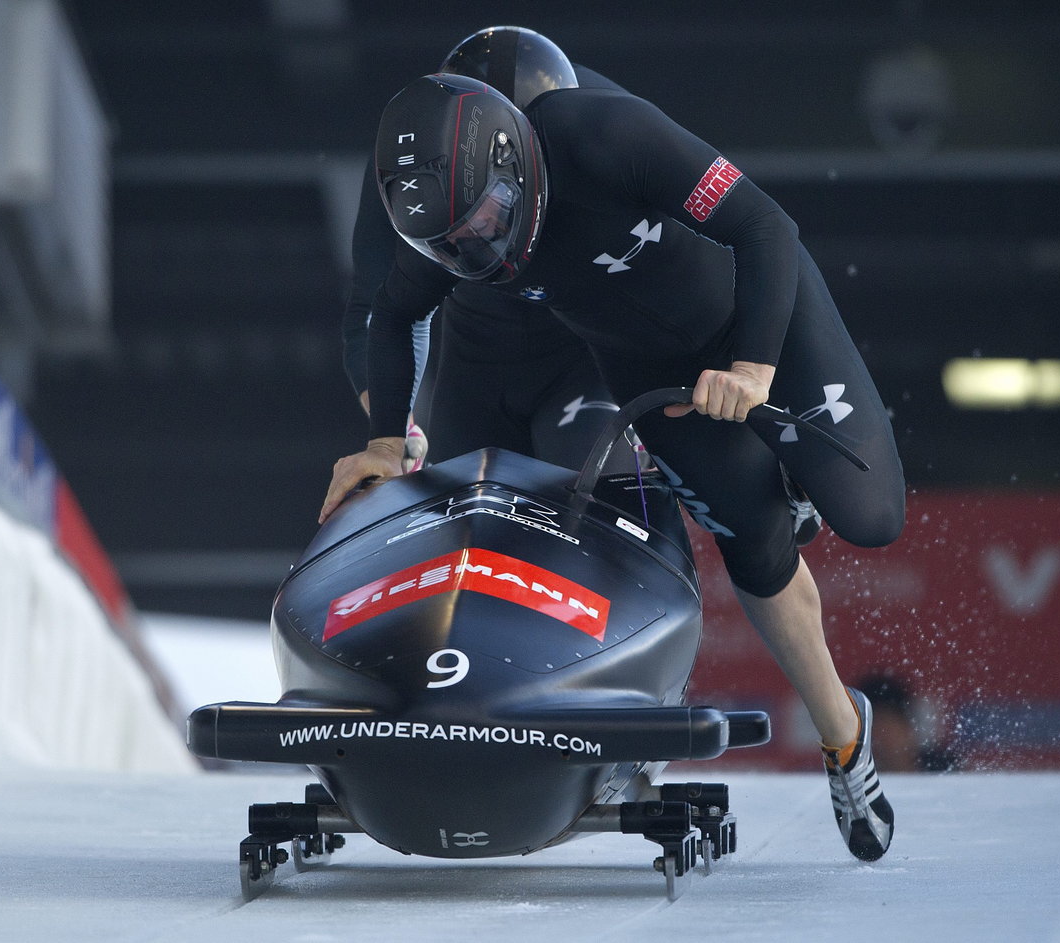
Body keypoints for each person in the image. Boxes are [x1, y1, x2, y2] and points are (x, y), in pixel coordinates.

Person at [323, 50, 907, 862]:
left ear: (517, 159)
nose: (479, 247)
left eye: (489, 219)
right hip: (650, 371)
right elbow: (386, 316)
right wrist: (387, 437)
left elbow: (764, 227)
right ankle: (843, 735)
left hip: (755, 317)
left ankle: (791, 467)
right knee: (757, 545)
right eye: (456, 244)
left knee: (873, 516)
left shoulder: (604, 134)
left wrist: (752, 368)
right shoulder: (435, 207)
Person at [340, 27, 638, 474]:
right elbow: (375, 307)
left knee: (591, 486)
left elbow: (687, 260)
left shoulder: (611, 127)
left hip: (587, 355)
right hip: (477, 363)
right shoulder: (410, 157)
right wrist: (394, 435)